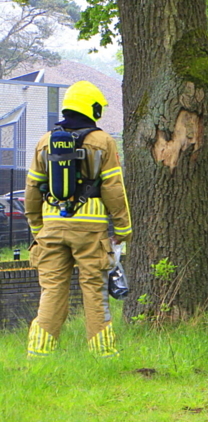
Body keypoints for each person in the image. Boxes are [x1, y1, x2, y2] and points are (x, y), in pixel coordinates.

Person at [23, 80, 132, 358]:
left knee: (52, 290)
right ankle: (103, 353)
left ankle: (39, 352)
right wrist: (122, 227)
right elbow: (113, 188)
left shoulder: (44, 141)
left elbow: (32, 188)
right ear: (92, 108)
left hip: (50, 228)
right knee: (94, 291)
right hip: (90, 230)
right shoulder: (102, 141)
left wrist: (37, 227)